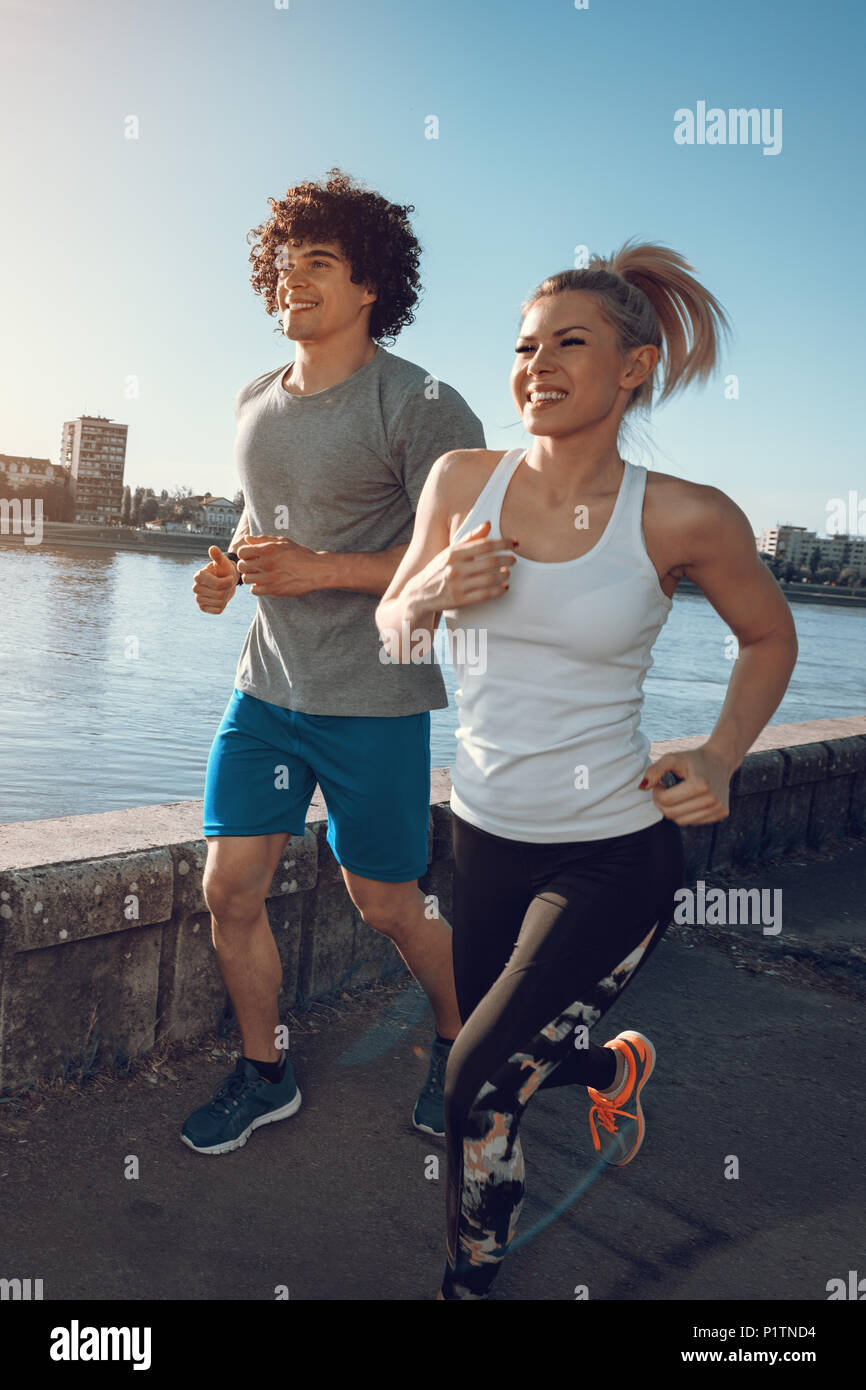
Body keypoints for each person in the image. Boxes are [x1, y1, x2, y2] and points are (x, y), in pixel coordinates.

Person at [376, 241, 798, 1299]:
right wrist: (429, 588)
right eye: (524, 346)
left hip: (612, 851)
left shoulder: (682, 513)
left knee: (474, 1080)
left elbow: (768, 638)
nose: (537, 364)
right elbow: (392, 631)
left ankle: (468, 1280)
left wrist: (718, 752)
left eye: (570, 342)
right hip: (481, 835)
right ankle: (612, 1065)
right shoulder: (461, 480)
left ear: (634, 367)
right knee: (506, 1046)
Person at [182, 169, 485, 1156]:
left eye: (318, 262)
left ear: (369, 287)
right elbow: (258, 526)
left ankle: (461, 1042)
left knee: (386, 902)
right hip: (265, 689)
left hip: (373, 697)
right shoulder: (251, 399)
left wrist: (323, 571)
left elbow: (467, 558)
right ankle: (265, 1071)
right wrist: (228, 571)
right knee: (228, 890)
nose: (291, 278)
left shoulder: (422, 404)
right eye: (283, 262)